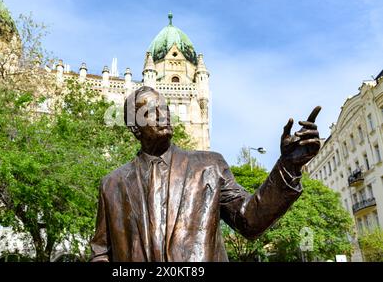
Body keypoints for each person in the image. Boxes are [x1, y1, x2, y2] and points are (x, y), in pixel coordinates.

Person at [90, 86, 321, 262]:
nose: (164, 114)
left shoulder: (209, 166)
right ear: (134, 127)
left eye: (165, 107)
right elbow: (101, 252)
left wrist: (288, 166)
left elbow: (249, 221)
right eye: (152, 112)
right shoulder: (112, 184)